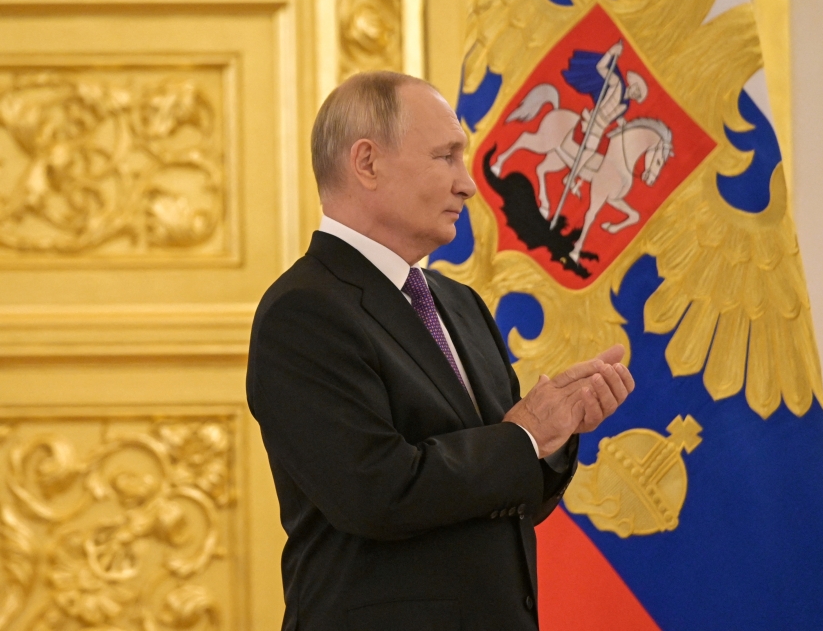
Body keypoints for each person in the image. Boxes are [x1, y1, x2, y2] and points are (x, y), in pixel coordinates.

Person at [246, 71, 635, 631]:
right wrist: (523, 436)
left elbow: (501, 499)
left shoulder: (461, 305)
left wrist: (555, 436)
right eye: (446, 156)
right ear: (367, 163)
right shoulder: (304, 312)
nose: (468, 184)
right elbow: (377, 492)